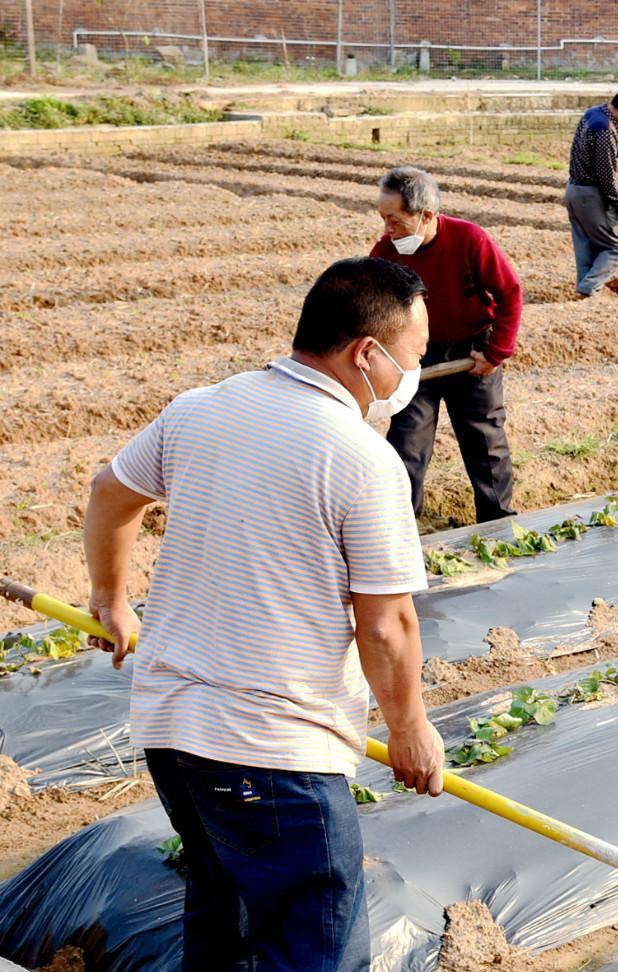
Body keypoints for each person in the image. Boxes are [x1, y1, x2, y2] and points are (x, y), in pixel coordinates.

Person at [81, 257, 446, 972]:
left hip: (172, 732)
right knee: (313, 948)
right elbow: (386, 625)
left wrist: (110, 598)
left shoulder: (201, 408)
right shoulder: (362, 460)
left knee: (223, 921)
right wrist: (409, 729)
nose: (416, 372)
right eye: (416, 354)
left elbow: (110, 493)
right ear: (366, 354)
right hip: (273, 753)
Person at [373, 165, 523, 524]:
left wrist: (495, 352)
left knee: (485, 445)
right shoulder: (385, 253)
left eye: (395, 220)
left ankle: (499, 526)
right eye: (383, 218)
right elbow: (373, 310)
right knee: (406, 444)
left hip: (472, 353)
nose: (387, 229)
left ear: (426, 215)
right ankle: (402, 533)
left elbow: (509, 293)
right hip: (415, 360)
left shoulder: (469, 239)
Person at [565, 82, 618, 298]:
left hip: (574, 191)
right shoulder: (605, 128)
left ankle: (584, 294)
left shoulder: (594, 114)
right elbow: (605, 174)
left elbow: (595, 149)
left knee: (586, 244)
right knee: (616, 247)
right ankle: (588, 288)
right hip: (591, 195)